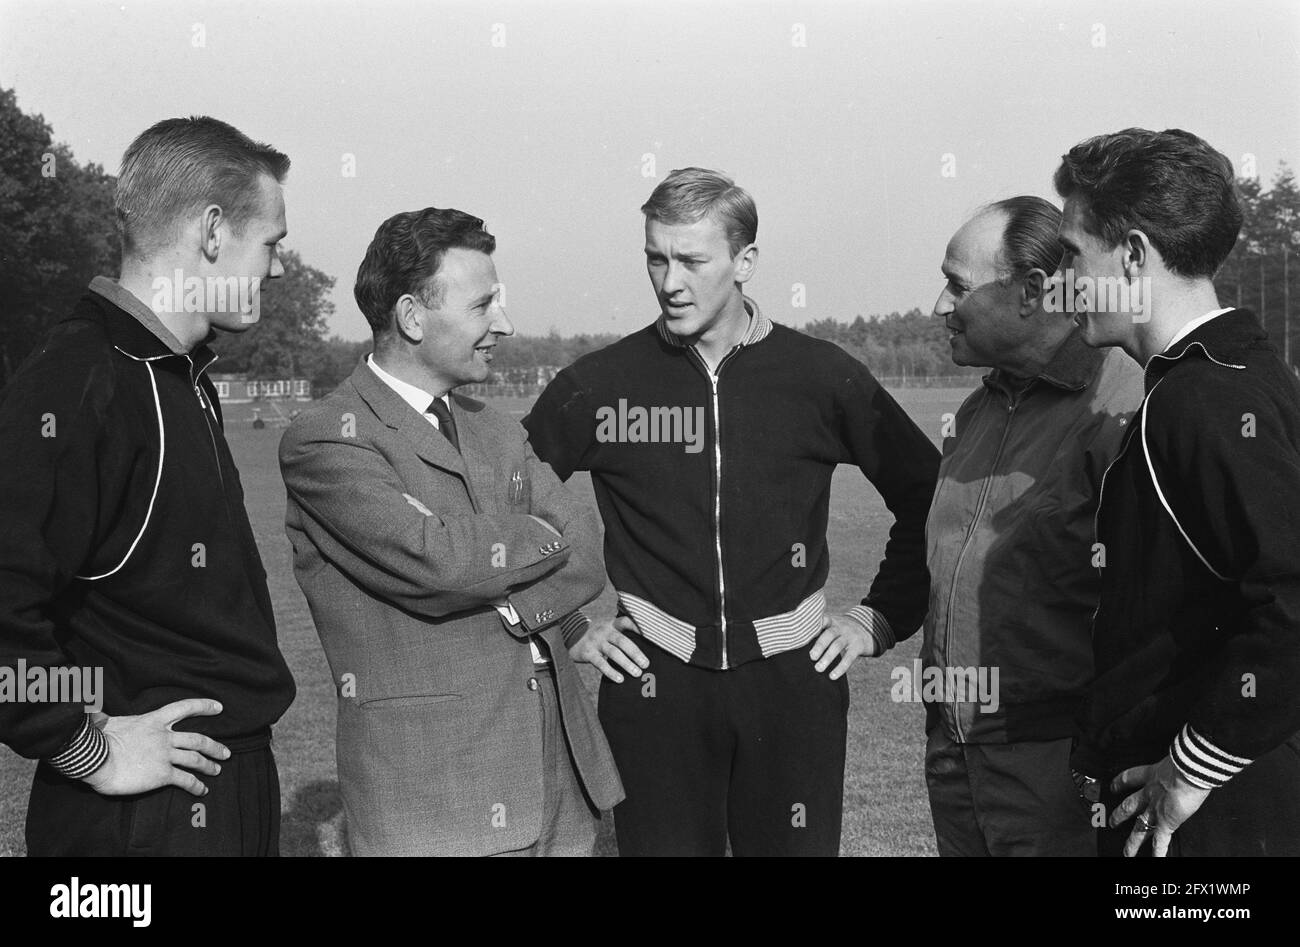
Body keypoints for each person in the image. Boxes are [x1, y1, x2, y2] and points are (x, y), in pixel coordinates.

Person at [523, 167, 939, 856]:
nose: (669, 280)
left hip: (793, 687)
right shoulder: (598, 385)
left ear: (746, 261)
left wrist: (879, 617)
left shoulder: (820, 376)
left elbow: (931, 496)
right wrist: (565, 624)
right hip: (652, 684)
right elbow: (502, 502)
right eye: (656, 258)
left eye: (691, 259)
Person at [280, 207, 622, 856]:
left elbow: (586, 542)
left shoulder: (496, 426)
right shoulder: (326, 435)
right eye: (483, 305)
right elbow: (433, 559)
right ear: (412, 317)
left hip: (559, 788)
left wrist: (500, 592)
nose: (506, 324)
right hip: (435, 800)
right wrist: (529, 538)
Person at [0, 117, 297, 856]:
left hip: (216, 782)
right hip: (145, 814)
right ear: (211, 231)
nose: (280, 269)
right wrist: (82, 744)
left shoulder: (179, 375)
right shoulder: (82, 375)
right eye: (273, 244)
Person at [1056, 128, 1300, 856]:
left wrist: (1190, 771)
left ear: (1132, 255)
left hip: (1210, 820)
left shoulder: (1198, 399)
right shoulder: (1239, 372)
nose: (1062, 281)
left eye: (1073, 255)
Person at [922, 197, 1144, 856]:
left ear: (1032, 292)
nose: (939, 303)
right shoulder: (973, 412)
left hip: (1058, 770)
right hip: (954, 752)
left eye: (958, 285)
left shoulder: (1123, 403)